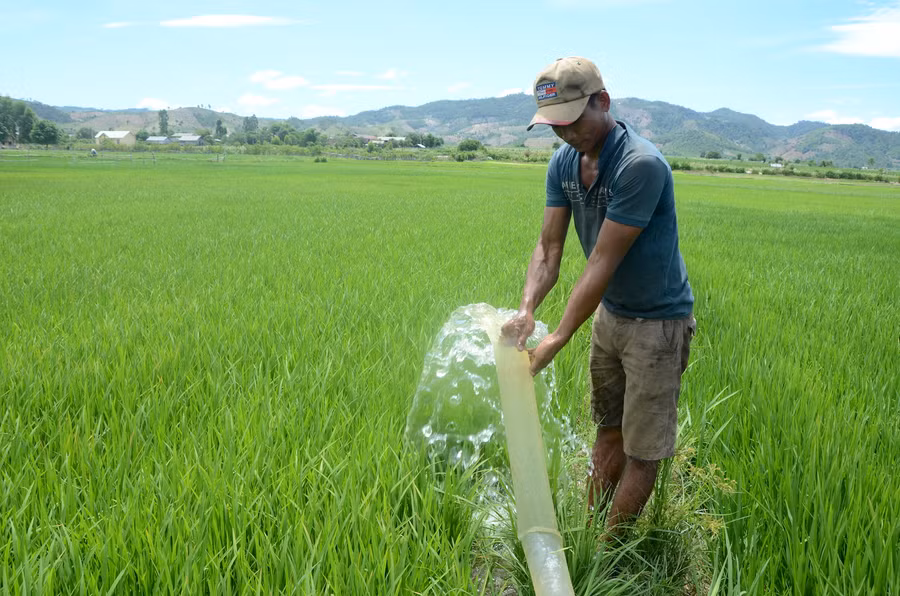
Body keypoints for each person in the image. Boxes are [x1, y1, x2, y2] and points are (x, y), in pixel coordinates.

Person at [501, 56, 696, 534]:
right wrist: (527, 311)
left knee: (642, 449)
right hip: (611, 316)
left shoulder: (640, 165)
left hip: (657, 323)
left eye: (571, 121)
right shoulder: (563, 162)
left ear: (602, 102)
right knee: (607, 428)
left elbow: (601, 262)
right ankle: (589, 533)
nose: (565, 134)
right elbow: (549, 249)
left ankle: (606, 557)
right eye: (554, 126)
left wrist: (559, 337)